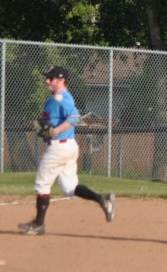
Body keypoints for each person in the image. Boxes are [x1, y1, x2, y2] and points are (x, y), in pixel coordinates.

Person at [18, 66, 116, 235]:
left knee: (42, 185)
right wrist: (46, 129)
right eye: (47, 77)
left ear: (62, 80)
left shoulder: (63, 99)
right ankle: (102, 199)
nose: (47, 80)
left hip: (59, 147)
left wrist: (55, 131)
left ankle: (38, 225)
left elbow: (75, 117)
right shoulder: (54, 99)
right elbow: (49, 122)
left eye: (52, 78)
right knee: (70, 188)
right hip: (68, 146)